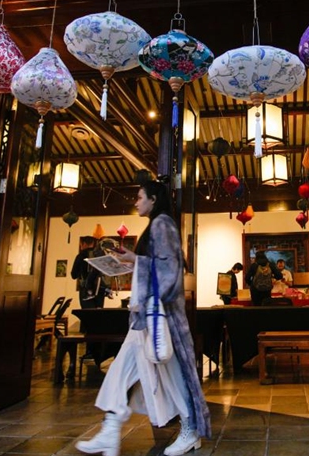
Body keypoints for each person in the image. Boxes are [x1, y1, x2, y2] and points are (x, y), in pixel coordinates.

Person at [75, 181, 211, 456]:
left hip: (158, 318)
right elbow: (158, 265)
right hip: (145, 318)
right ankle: (110, 431)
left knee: (172, 375)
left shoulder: (162, 224)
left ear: (153, 198)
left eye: (139, 197)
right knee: (120, 372)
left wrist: (138, 263)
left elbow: (170, 271)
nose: (136, 202)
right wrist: (134, 260)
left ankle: (190, 430)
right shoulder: (159, 225)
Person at [71, 236, 107, 309]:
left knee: (88, 314)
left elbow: (73, 275)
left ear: (83, 244)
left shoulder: (81, 255)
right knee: (99, 314)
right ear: (93, 243)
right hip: (100, 289)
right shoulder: (99, 255)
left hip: (86, 290)